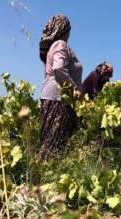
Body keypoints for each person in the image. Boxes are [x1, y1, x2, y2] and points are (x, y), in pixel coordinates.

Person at [38, 14, 83, 159]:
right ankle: (42, 177)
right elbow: (58, 69)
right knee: (54, 145)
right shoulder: (60, 44)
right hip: (58, 97)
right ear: (65, 30)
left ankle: (40, 176)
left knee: (51, 143)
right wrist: (74, 89)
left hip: (55, 96)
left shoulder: (55, 45)